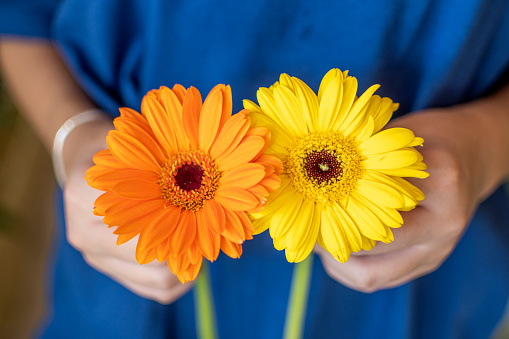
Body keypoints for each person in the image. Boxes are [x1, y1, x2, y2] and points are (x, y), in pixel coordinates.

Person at [1, 1, 509, 338]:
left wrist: (486, 141)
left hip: (418, 269)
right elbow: (19, 16)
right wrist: (72, 133)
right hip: (129, 261)